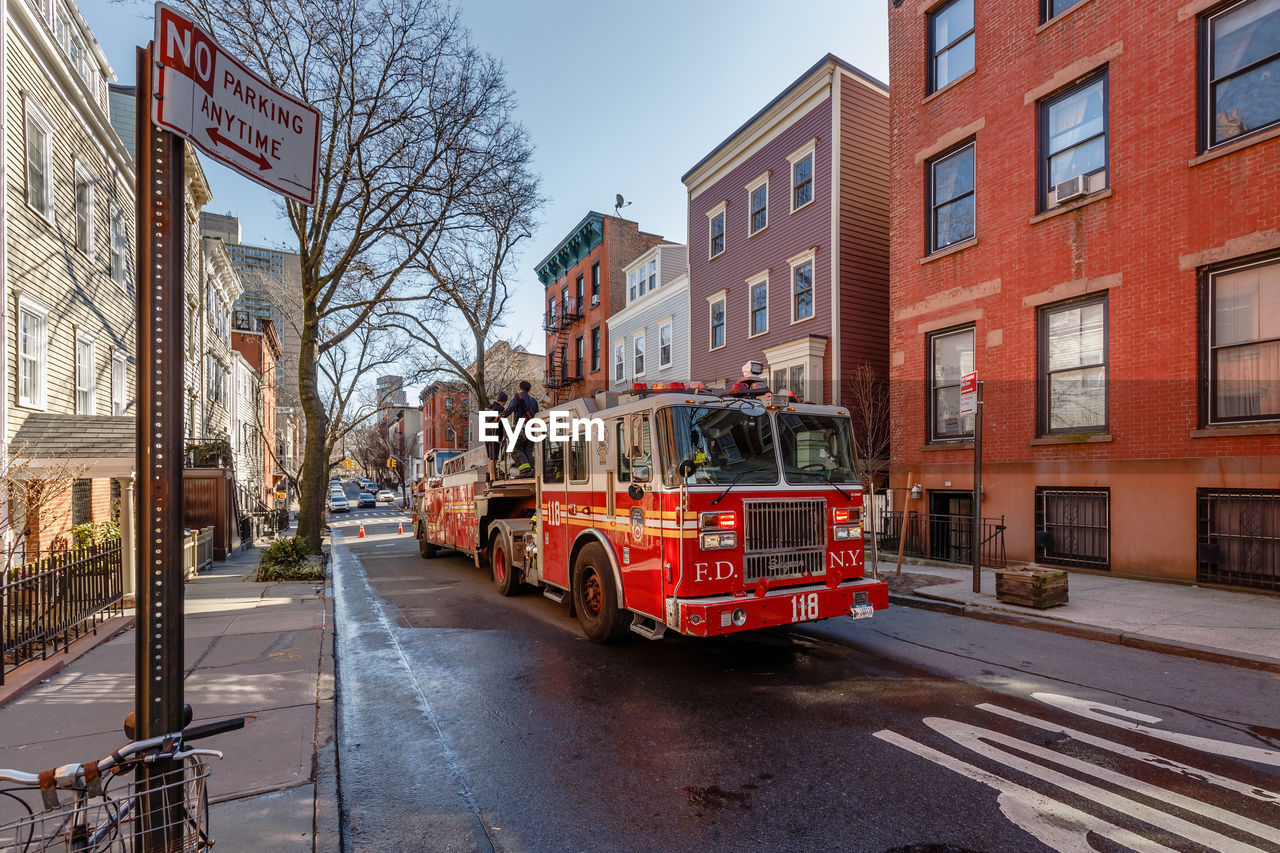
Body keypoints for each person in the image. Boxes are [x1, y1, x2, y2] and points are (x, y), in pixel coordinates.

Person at [501, 380, 540, 477]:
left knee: (515, 449)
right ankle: (531, 471)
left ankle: (525, 471)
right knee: (528, 451)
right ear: (529, 389)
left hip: (521, 428)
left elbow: (511, 408)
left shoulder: (518, 397)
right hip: (532, 429)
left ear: (520, 388)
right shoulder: (534, 401)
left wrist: (501, 416)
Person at [486, 391, 508, 481]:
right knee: (493, 458)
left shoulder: (489, 407)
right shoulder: (500, 410)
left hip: (487, 434)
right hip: (495, 435)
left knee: (490, 457)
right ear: (504, 401)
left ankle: (488, 477)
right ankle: (492, 478)